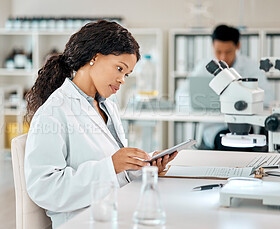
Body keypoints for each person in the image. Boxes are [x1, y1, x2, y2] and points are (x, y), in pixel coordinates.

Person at [24, 20, 177, 228]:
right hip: (82, 221)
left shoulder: (107, 106)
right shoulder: (53, 113)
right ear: (94, 57)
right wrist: (111, 165)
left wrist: (143, 169)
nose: (122, 80)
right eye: (119, 68)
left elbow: (113, 173)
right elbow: (44, 188)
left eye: (127, 74)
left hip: (114, 211)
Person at [175, 24, 274, 150]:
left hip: (246, 128)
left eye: (228, 52)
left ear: (238, 46)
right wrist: (200, 105)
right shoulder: (203, 67)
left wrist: (243, 101)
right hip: (215, 128)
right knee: (228, 147)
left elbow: (269, 97)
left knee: (245, 148)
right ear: (212, 46)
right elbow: (181, 95)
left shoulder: (250, 66)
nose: (223, 57)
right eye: (218, 51)